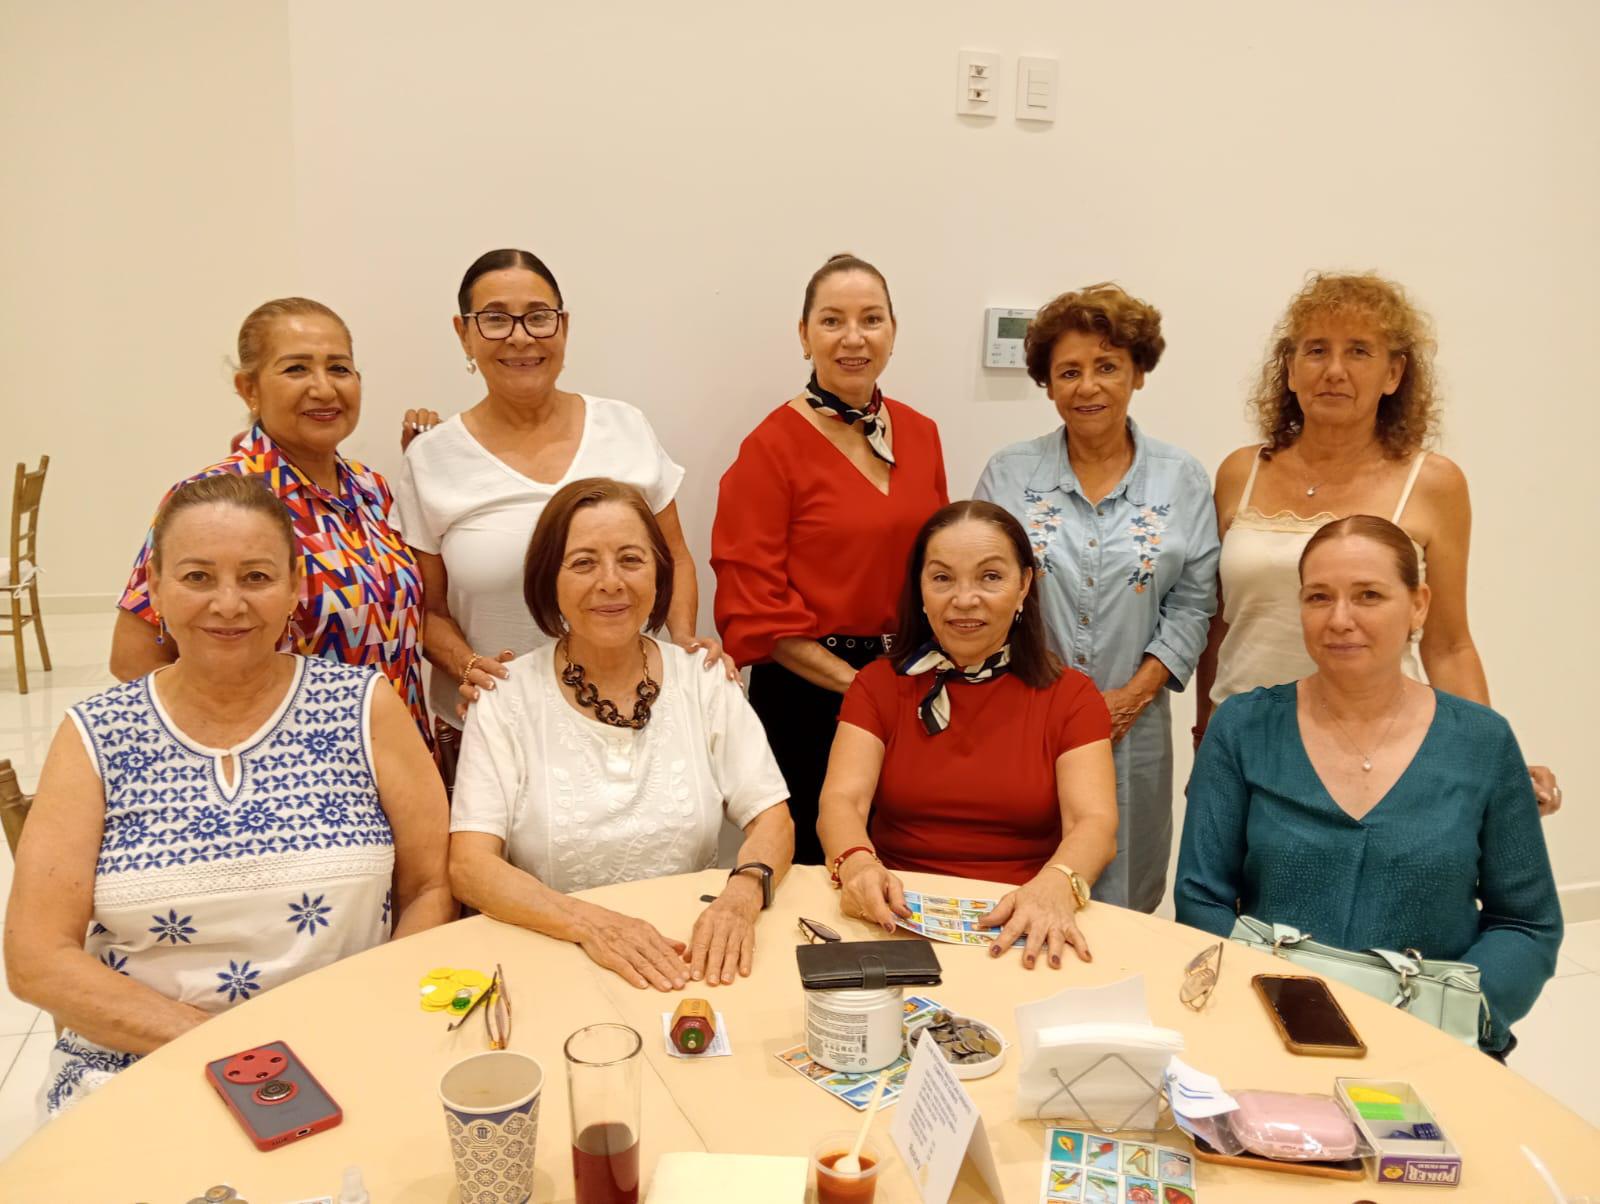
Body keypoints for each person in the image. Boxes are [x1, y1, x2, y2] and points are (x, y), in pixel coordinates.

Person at [6, 475, 453, 1116]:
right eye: (196, 577)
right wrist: (231, 1047)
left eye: (255, 577)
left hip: (353, 1047)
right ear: (153, 588)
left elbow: (430, 888)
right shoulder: (96, 735)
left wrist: (372, 1015)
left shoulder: (364, 706)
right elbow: (36, 957)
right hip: (140, 1063)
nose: (228, 603)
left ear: (295, 586)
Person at [1176, 517, 1561, 1056]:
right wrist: (1277, 1012)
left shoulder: (1482, 741)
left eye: (1369, 596)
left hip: (1433, 1042)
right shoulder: (1242, 727)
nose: (1340, 619)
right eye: (1318, 597)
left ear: (1418, 605)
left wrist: (1446, 1017)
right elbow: (1200, 898)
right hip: (1269, 1030)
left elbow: (1526, 923)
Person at [1194, 272, 1560, 813]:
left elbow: (1448, 643)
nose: (1334, 371)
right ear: (1290, 369)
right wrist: (1206, 735)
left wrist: (1494, 761)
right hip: (1246, 747)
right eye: (1316, 350)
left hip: (1379, 751)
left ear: (1393, 374)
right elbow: (1219, 622)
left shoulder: (1433, 483)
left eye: (1359, 351)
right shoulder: (1239, 472)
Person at [395, 249, 727, 785]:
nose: (521, 337)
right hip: (499, 726)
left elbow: (676, 558)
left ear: (564, 326)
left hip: (632, 714)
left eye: (539, 316)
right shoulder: (432, 458)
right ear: (464, 334)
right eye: (496, 319)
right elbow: (425, 608)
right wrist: (466, 665)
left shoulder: (625, 427)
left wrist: (685, 638)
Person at [448, 479, 795, 991]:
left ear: (658, 573)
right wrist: (593, 926)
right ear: (550, 580)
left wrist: (741, 896)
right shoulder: (504, 697)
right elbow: (470, 867)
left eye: (631, 560)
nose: (611, 582)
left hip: (694, 955)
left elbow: (772, 817)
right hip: (554, 953)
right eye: (584, 563)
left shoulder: (703, 679)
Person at [976, 284, 1218, 912]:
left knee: (1120, 900)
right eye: (1069, 372)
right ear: (1048, 385)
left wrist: (1132, 696)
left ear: (1137, 372)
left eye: (1107, 366)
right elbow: (981, 590)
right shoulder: (1009, 474)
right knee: (1011, 888)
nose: (1089, 387)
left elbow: (1194, 604)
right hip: (1019, 721)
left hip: (1130, 728)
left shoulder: (1182, 478)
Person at [712, 253, 949, 863]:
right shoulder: (768, 449)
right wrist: (863, 691)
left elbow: (941, 567)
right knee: (818, 879)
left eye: (871, 319)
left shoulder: (922, 433)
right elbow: (753, 610)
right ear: (804, 335)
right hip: (808, 699)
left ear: (893, 333)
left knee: (909, 865)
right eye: (832, 321)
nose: (853, 338)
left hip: (912, 682)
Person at [816, 501, 1118, 970]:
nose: (964, 599)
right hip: (894, 915)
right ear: (919, 589)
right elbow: (842, 802)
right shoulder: (876, 685)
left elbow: (1093, 823)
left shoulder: (1073, 696)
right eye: (942, 578)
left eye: (990, 577)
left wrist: (1054, 886)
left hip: (1026, 917)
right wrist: (857, 865)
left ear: (1024, 587)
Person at [109, 298, 429, 737]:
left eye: (338, 368)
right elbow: (134, 658)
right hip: (284, 782)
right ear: (249, 388)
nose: (324, 389)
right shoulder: (215, 500)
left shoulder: (372, 489)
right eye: (296, 369)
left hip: (399, 760)